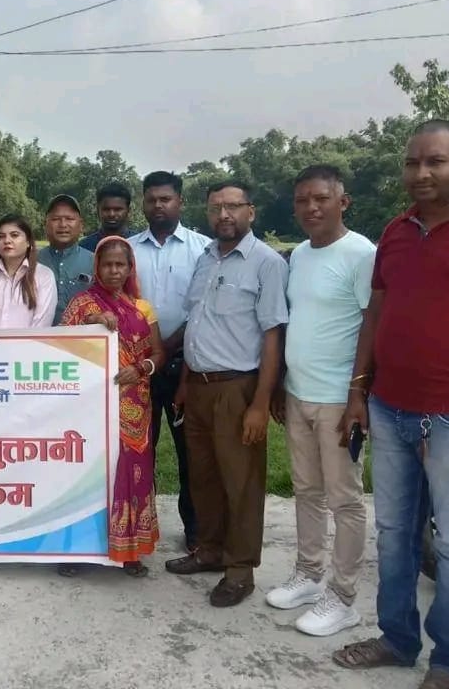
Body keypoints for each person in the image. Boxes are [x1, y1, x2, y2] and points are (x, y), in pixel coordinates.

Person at [333, 120, 449, 689]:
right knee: (394, 532)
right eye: (413, 163)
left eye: (435, 161)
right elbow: (376, 315)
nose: (422, 173)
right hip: (390, 409)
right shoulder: (397, 230)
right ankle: (398, 639)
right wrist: (359, 391)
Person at [165, 180, 288, 608]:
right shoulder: (205, 258)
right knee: (204, 478)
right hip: (198, 387)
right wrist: (184, 383)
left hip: (238, 388)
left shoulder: (266, 263)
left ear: (250, 211)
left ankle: (240, 570)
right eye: (216, 207)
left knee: (241, 483)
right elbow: (197, 323)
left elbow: (273, 336)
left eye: (233, 206)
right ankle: (210, 550)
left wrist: (260, 403)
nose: (224, 215)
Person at [267, 165, 374, 636]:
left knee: (344, 499)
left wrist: (358, 394)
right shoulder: (299, 256)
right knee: (306, 490)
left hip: (338, 400)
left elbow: (372, 326)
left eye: (321, 199)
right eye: (302, 200)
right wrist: (280, 383)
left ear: (342, 202)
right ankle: (308, 575)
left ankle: (343, 596)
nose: (311, 208)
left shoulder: (362, 254)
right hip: (298, 392)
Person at [59, 238, 165, 576]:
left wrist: (141, 369)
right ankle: (78, 551)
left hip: (134, 405)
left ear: (130, 268)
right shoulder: (83, 304)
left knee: (131, 472)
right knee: (88, 473)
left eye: (120, 265)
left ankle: (130, 550)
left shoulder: (142, 308)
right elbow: (61, 346)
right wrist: (91, 321)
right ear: (97, 268)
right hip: (90, 405)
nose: (114, 271)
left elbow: (158, 353)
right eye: (107, 264)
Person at [128, 170, 210, 553]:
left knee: (190, 451)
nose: (158, 206)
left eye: (165, 199)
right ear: (143, 203)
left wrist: (165, 347)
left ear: (180, 202)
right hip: (136, 368)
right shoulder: (128, 250)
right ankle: (136, 528)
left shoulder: (203, 249)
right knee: (137, 450)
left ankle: (195, 530)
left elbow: (203, 310)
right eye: (151, 199)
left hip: (184, 366)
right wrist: (148, 353)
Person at [0, 214, 56, 329]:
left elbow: (42, 323)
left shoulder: (44, 275)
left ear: (28, 242)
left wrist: (12, 339)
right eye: (1, 236)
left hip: (30, 341)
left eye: (14, 235)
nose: (7, 241)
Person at [37, 194, 93, 325]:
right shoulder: (32, 262)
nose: (63, 224)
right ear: (45, 224)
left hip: (83, 336)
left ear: (81, 225)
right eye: (55, 219)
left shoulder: (95, 262)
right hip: (39, 336)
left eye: (69, 219)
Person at [79, 182, 136, 251]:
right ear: (98, 210)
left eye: (117, 209)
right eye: (106, 209)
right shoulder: (84, 247)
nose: (111, 214)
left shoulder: (139, 244)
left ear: (129, 211)